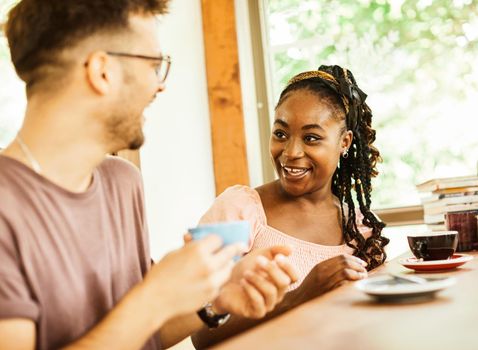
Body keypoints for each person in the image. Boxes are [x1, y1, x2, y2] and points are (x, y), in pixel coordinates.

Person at [0, 1, 299, 349]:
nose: (160, 86)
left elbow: (141, 334)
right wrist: (154, 296)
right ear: (102, 72)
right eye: (154, 65)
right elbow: (143, 312)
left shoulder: (122, 183)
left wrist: (217, 298)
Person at [192, 65, 390, 347]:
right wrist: (299, 295)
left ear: (344, 142)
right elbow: (200, 334)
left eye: (311, 138)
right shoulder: (238, 211)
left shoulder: (361, 229)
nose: (291, 152)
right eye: (281, 134)